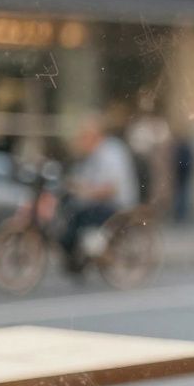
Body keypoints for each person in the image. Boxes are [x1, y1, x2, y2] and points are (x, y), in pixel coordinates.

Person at [62, 115, 139, 272]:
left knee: (84, 218)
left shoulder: (111, 153)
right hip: (100, 202)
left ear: (94, 135)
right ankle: (79, 258)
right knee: (71, 214)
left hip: (117, 205)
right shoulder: (94, 154)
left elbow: (111, 189)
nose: (80, 141)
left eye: (83, 136)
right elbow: (85, 180)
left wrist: (86, 192)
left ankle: (98, 252)